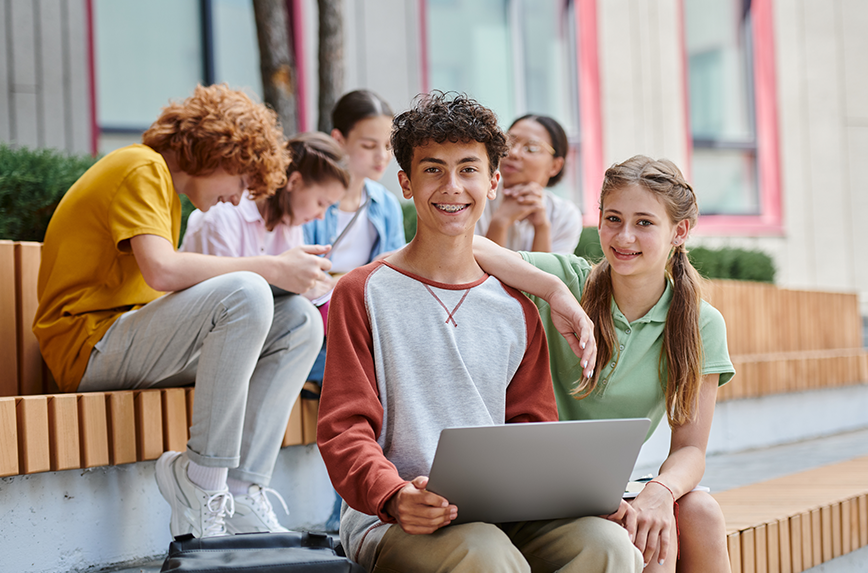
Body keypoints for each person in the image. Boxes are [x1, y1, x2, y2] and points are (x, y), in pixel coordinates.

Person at [316, 91, 642, 573]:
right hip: (396, 517)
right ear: (405, 182)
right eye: (433, 170)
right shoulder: (362, 292)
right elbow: (344, 428)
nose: (452, 187)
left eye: (468, 169)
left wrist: (576, 494)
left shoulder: (517, 306)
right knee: (483, 554)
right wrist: (394, 493)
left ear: (492, 182)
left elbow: (532, 430)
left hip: (506, 513)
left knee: (608, 545)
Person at [33, 84, 329, 539]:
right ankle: (202, 480)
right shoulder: (141, 166)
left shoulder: (164, 189)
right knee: (248, 291)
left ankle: (242, 487)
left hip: (128, 343)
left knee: (300, 321)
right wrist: (271, 267)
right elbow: (162, 270)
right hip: (89, 348)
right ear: (218, 152)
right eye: (242, 179)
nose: (239, 197)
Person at [475, 155, 736, 572]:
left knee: (698, 513)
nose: (624, 236)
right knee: (644, 535)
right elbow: (467, 245)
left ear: (679, 231)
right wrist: (553, 293)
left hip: (604, 490)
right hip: (535, 482)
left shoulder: (700, 323)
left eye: (645, 223)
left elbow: (690, 449)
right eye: (612, 218)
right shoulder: (569, 280)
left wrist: (661, 492)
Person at [180, 131, 349, 303]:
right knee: (301, 311)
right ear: (294, 182)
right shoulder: (223, 216)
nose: (321, 216)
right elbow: (223, 300)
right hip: (206, 318)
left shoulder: (289, 227)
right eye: (321, 203)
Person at [475, 114, 581, 254]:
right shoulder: (475, 197)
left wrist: (541, 227)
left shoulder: (564, 215)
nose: (513, 153)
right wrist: (500, 222)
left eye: (531, 148)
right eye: (510, 142)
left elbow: (546, 275)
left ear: (555, 166)